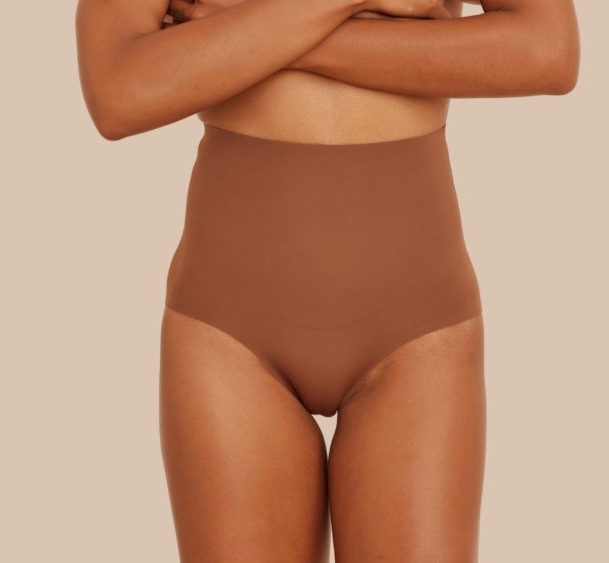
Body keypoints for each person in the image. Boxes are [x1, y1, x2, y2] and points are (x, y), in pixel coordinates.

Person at [75, 0, 579, 559]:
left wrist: (245, 37)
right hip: (228, 328)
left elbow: (548, 51)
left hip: (417, 327)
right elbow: (120, 93)